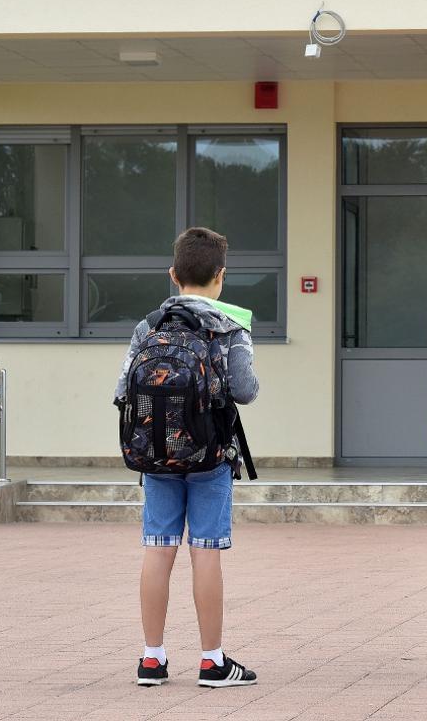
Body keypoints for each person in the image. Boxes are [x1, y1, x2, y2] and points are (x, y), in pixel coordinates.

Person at [114, 227, 260, 689]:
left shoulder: (148, 326)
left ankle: (152, 659)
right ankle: (212, 661)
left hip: (156, 458)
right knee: (206, 551)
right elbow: (246, 391)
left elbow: (122, 391)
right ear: (220, 276)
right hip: (210, 457)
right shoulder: (230, 327)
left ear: (173, 274)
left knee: (158, 549)